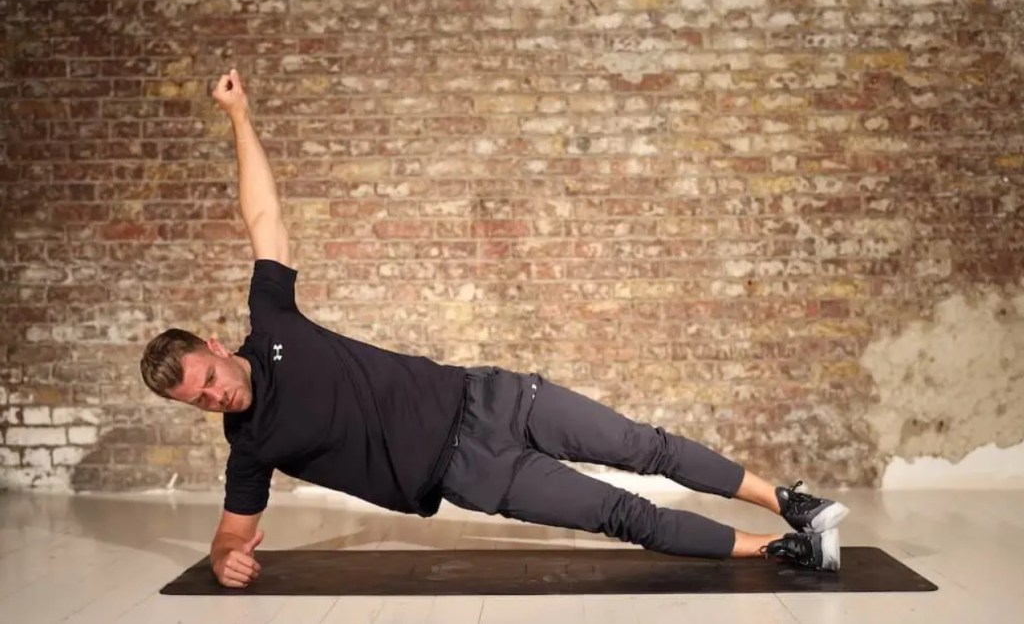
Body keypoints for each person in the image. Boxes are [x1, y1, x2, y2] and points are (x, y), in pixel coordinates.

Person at [139, 70, 848, 589]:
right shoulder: (250, 444)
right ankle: (776, 550)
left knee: (642, 444)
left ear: (215, 345)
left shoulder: (271, 319)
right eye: (197, 403)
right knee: (621, 513)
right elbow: (232, 532)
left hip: (493, 396)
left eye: (208, 379)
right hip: (469, 471)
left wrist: (239, 114)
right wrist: (227, 557)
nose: (214, 398)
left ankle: (791, 501)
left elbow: (263, 219)